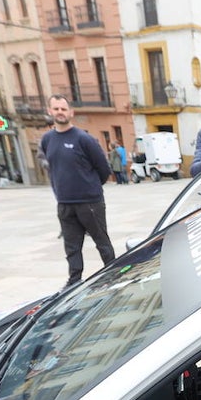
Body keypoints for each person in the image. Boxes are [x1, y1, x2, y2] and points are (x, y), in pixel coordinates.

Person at [40, 95, 114, 288]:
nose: (60, 112)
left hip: (90, 202)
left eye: (63, 109)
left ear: (71, 112)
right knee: (71, 246)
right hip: (65, 203)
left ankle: (113, 274)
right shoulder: (47, 139)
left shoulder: (84, 139)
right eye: (56, 109)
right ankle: (74, 280)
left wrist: (90, 187)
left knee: (101, 241)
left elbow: (103, 168)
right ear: (50, 111)